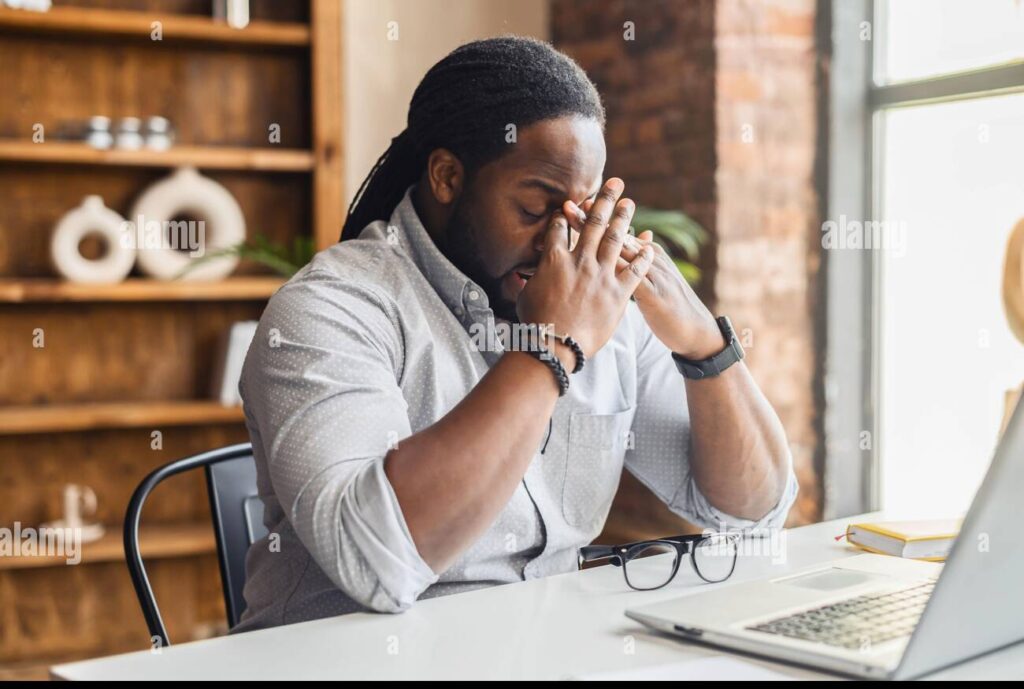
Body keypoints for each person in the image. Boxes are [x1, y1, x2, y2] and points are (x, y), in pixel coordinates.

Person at [231, 36, 798, 633]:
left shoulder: (600, 303)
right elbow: (377, 562)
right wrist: (552, 347)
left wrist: (706, 348)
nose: (561, 244)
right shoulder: (330, 309)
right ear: (448, 176)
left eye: (580, 215)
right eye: (535, 209)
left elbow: (751, 515)